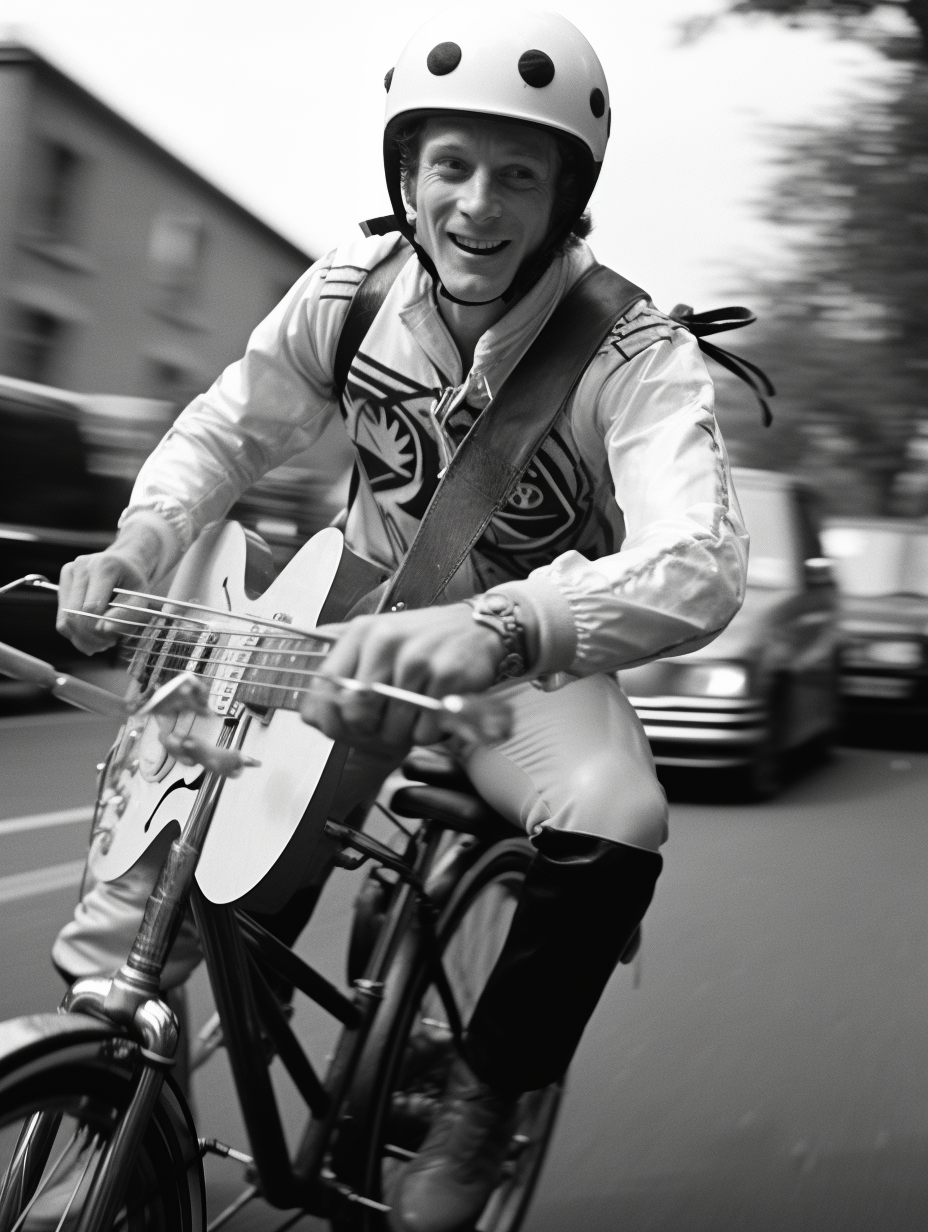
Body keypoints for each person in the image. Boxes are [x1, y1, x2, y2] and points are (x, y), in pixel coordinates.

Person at [52, 8, 748, 1231]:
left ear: (565, 193)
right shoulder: (351, 290)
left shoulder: (633, 352)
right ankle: (102, 1078)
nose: (478, 205)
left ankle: (483, 1097)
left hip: (516, 659)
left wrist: (506, 623)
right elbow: (231, 425)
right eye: (450, 166)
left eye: (517, 174)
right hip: (336, 627)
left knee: (619, 815)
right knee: (162, 866)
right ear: (405, 175)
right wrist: (141, 540)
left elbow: (699, 559)